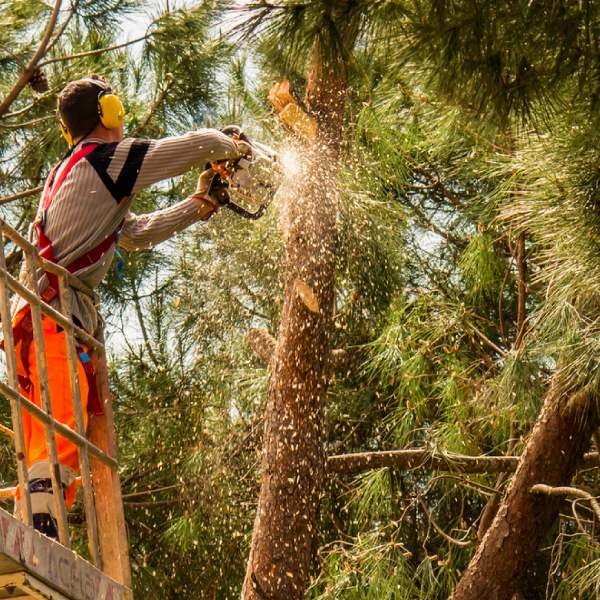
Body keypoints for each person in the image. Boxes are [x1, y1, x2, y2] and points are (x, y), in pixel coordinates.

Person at [10, 74, 248, 539]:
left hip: (40, 316)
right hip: (52, 314)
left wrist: (200, 202)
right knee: (60, 428)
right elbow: (191, 146)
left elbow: (134, 234)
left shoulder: (79, 173)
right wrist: (233, 144)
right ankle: (41, 536)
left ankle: (35, 530)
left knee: (48, 432)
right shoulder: (104, 159)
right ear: (107, 112)